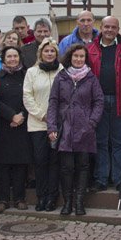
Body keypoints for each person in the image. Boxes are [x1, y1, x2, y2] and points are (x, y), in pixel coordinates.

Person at [47, 44, 103, 215]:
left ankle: (79, 202)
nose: (78, 59)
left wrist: (92, 122)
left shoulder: (91, 78)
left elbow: (99, 101)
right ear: (70, 57)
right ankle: (67, 202)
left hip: (85, 129)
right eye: (75, 56)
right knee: (66, 167)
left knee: (83, 166)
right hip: (65, 128)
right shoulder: (61, 77)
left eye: (82, 56)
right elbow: (53, 102)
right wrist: (52, 126)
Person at [86, 16, 121, 191]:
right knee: (100, 141)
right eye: (106, 27)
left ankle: (119, 179)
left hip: (120, 100)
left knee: (119, 141)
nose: (109, 30)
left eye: (113, 27)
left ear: (118, 29)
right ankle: (101, 178)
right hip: (98, 101)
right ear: (100, 27)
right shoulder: (90, 49)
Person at [0, 46, 31, 212]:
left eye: (15, 56)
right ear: (3, 59)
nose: (12, 59)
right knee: (3, 165)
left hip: (22, 123)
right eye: (9, 57)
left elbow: (30, 96)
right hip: (3, 124)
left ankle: (20, 198)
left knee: (20, 164)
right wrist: (11, 116)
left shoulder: (27, 75)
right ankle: (4, 199)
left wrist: (21, 116)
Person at [23, 38, 62, 211]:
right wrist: (43, 115)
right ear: (41, 53)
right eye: (46, 51)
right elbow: (27, 97)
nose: (49, 54)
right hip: (38, 124)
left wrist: (55, 119)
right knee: (40, 161)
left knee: (54, 162)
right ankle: (41, 196)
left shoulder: (62, 71)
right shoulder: (32, 72)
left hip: (57, 125)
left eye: (52, 51)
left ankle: (52, 198)